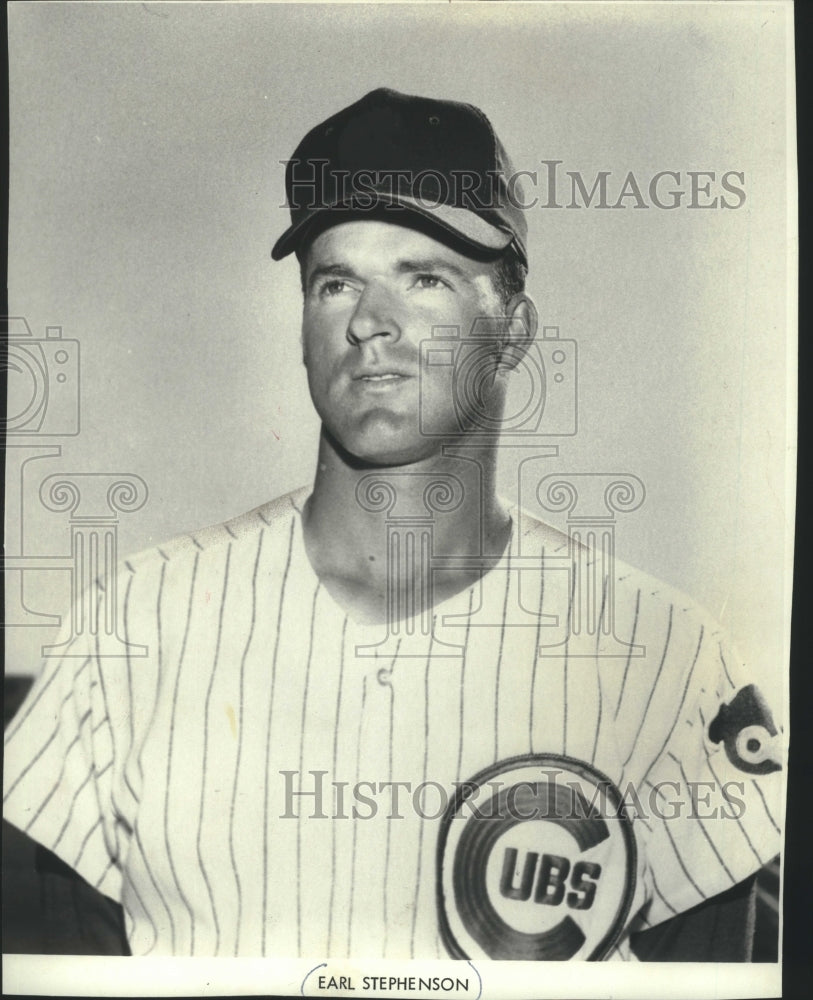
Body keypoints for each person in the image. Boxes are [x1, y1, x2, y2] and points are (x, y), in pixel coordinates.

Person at [3, 88, 782, 961]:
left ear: (515, 330)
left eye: (424, 277)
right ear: (304, 327)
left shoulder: (662, 656)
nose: (369, 322)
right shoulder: (131, 623)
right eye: (335, 282)